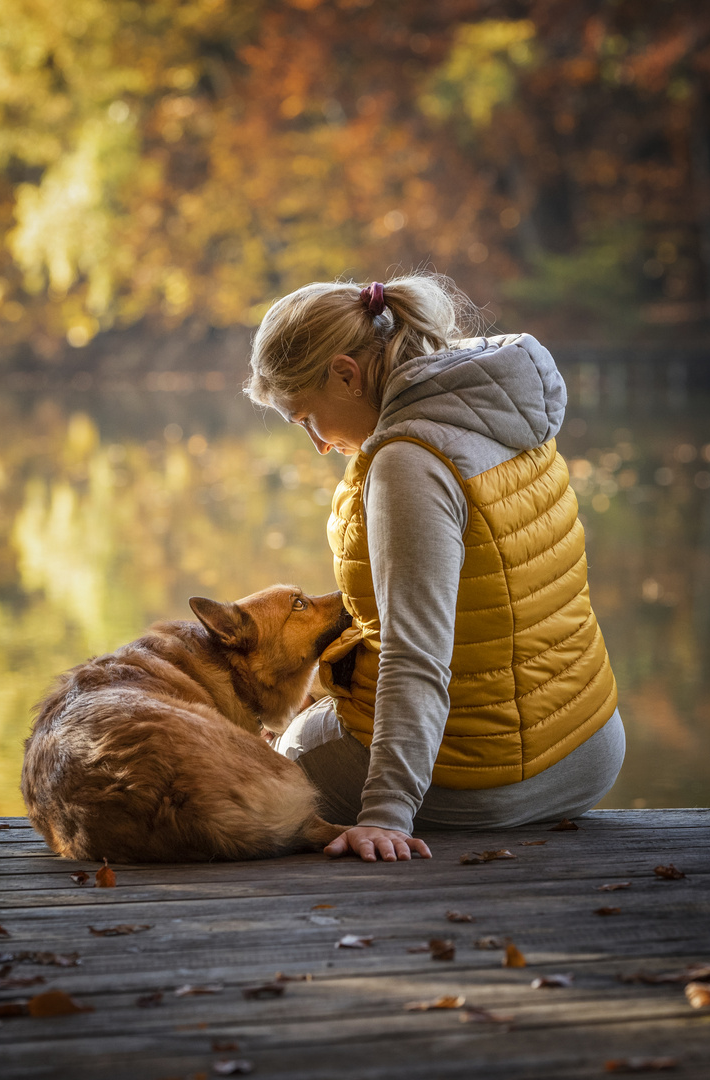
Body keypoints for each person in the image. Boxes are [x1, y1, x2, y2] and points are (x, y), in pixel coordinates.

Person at [245, 272, 625, 863]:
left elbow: (414, 656)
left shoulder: (408, 463)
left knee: (276, 759)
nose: (318, 445)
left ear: (345, 375)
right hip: (588, 748)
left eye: (304, 418)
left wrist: (386, 814)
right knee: (314, 714)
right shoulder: (492, 404)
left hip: (493, 782)